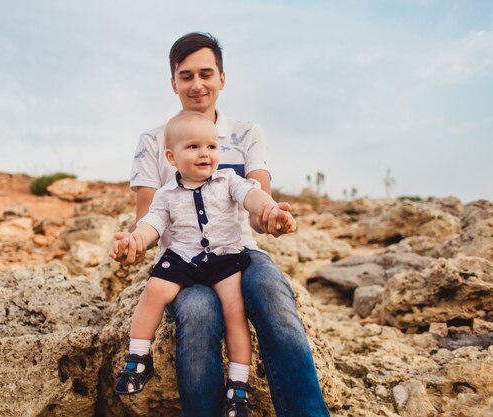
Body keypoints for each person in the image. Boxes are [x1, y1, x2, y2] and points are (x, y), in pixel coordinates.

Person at [117, 32, 331, 417]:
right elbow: (147, 219)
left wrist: (273, 217)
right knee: (199, 313)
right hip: (182, 260)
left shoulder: (247, 134)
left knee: (272, 296)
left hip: (239, 252)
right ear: (173, 83)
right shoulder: (153, 141)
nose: (197, 84)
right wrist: (132, 245)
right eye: (186, 76)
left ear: (222, 78)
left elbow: (257, 203)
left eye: (206, 73)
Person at [111, 111, 293, 416]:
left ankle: (238, 385)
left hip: (224, 259)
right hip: (183, 259)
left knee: (234, 314)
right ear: (171, 156)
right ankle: (138, 358)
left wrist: (272, 210)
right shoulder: (167, 194)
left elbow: (253, 196)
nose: (205, 153)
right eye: (193, 147)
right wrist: (135, 240)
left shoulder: (228, 180)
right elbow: (151, 224)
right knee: (153, 291)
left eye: (211, 146)